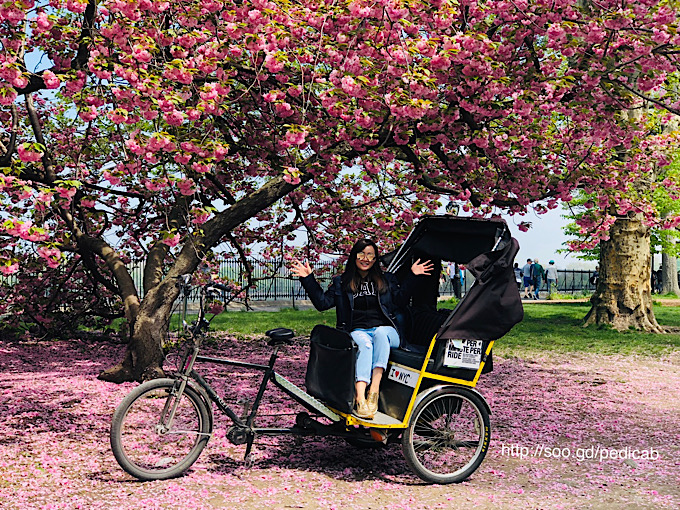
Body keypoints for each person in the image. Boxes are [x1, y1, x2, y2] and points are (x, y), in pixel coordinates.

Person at [292, 239, 433, 420]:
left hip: (388, 332)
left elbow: (400, 301)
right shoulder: (341, 283)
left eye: (370, 255)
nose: (365, 259)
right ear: (354, 256)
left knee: (381, 334)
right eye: (361, 254)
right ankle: (360, 397)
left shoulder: (386, 280)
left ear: (375, 259)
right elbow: (322, 303)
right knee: (365, 344)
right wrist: (307, 279)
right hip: (358, 331)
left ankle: (373, 390)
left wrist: (413, 276)